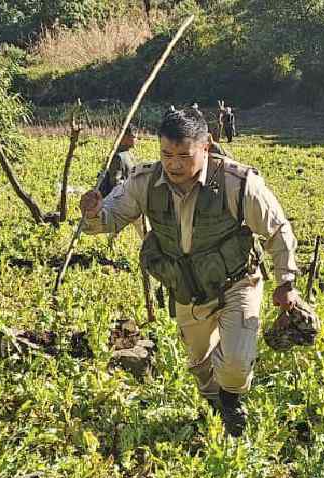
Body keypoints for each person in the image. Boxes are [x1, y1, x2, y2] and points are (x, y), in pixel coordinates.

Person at [79, 108, 300, 437]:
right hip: (186, 289)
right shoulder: (145, 181)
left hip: (237, 281)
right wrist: (95, 212)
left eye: (185, 155)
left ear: (206, 146)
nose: (175, 164)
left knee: (236, 362)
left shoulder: (237, 183)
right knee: (200, 363)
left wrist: (286, 282)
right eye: (167, 154)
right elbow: (108, 218)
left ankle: (231, 400)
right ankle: (215, 408)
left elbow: (277, 230)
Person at [97, 125, 138, 197]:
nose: (136, 140)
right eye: (134, 137)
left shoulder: (128, 154)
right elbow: (115, 183)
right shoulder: (118, 157)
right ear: (125, 137)